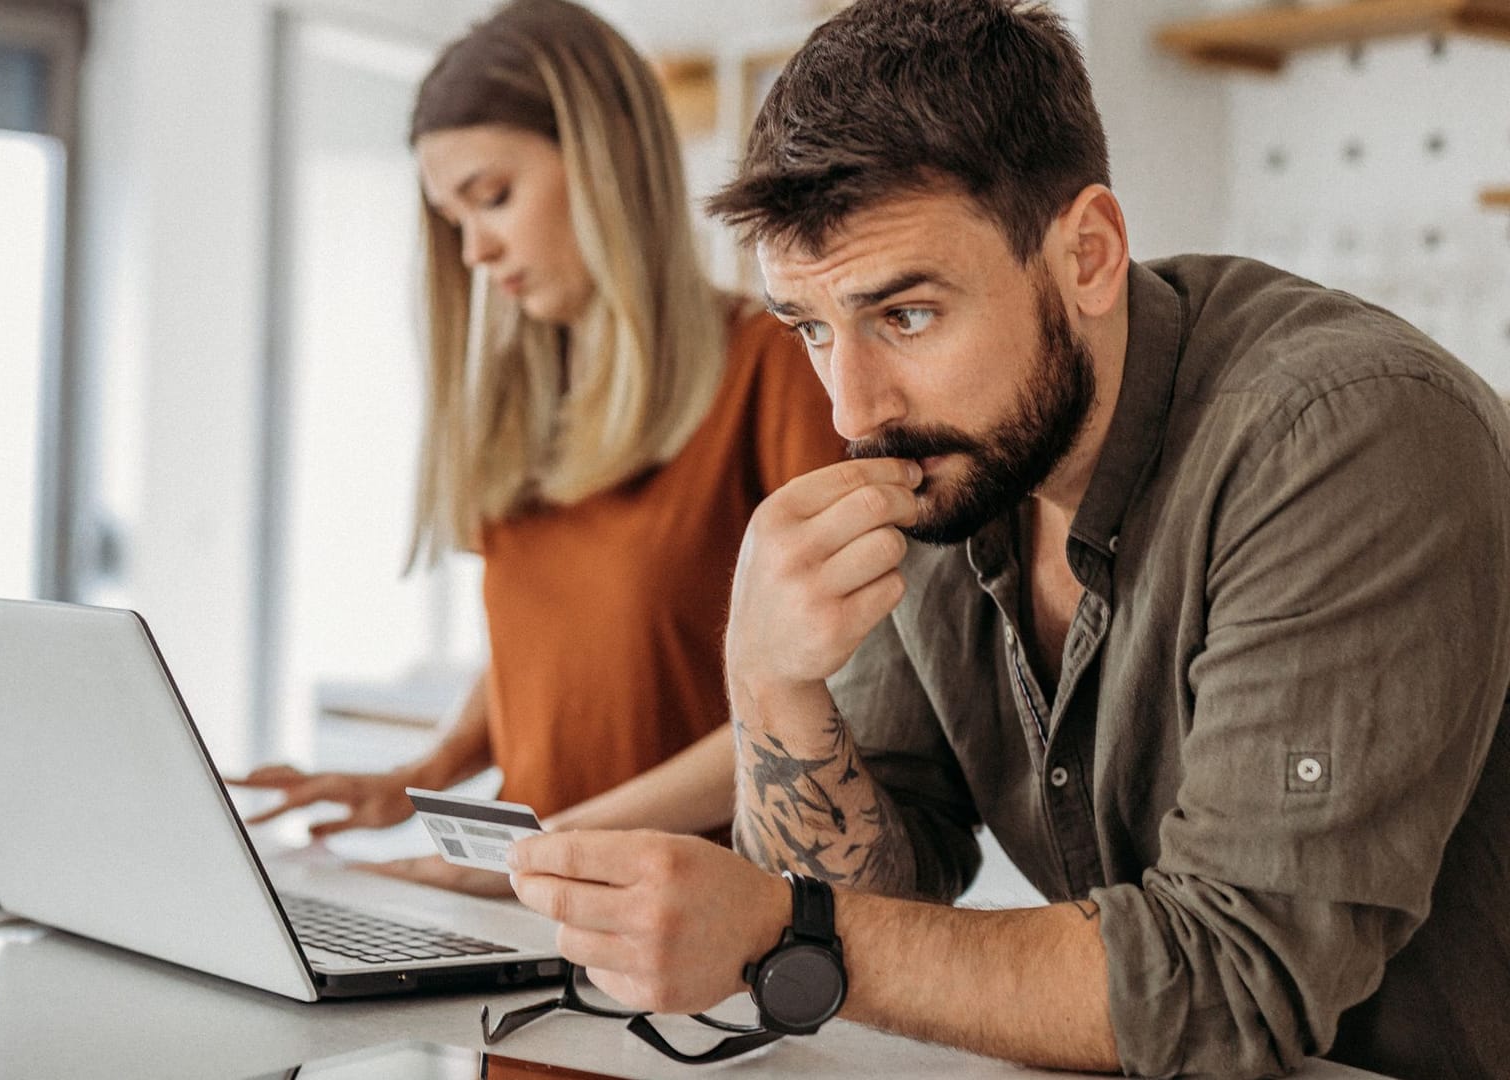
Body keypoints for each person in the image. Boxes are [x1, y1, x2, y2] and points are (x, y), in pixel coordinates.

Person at [504, 1, 1510, 1076]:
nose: (853, 409)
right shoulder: (956, 463)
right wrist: (766, 682)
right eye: (810, 327)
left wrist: (780, 931)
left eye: (909, 316)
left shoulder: (1344, 436)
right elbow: (879, 894)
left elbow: (1228, 985)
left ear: (1088, 254)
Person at [230, 0, 839, 895]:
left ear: (607, 161)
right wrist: (421, 778)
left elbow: (832, 708)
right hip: (521, 899)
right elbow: (544, 651)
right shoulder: (526, 401)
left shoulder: (772, 371)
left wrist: (551, 844)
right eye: (453, 219)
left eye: (493, 197)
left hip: (687, 915)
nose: (475, 248)